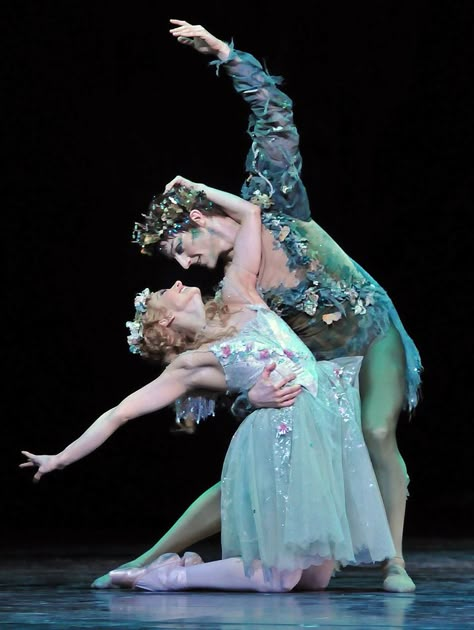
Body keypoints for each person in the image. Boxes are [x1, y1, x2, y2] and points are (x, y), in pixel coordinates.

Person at [98, 19, 421, 593]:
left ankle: (394, 559)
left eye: (180, 247)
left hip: (371, 332)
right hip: (320, 368)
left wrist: (223, 52)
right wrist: (253, 396)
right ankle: (150, 555)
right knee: (255, 467)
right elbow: (222, 371)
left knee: (376, 432)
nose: (181, 265)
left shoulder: (269, 200)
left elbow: (273, 115)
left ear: (197, 218)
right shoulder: (233, 291)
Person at [21, 184, 396, 592]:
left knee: (316, 578)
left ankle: (181, 566)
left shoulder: (239, 295)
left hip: (317, 424)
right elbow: (120, 413)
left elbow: (251, 215)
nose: (179, 283)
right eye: (167, 294)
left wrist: (197, 189)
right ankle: (168, 577)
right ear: (164, 324)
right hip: (278, 438)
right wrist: (59, 458)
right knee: (281, 577)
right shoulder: (190, 365)